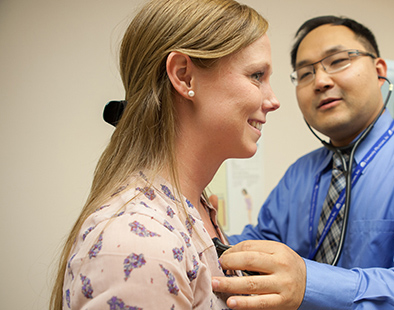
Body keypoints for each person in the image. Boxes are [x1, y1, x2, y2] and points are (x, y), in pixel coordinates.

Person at [212, 16, 394, 309]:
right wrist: (206, 229)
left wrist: (312, 284)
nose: (320, 81)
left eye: (338, 61)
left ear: (379, 70)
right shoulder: (299, 175)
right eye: (305, 73)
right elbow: (262, 244)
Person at [49, 0, 279, 309]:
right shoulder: (140, 243)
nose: (273, 100)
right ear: (184, 76)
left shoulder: (195, 211)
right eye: (256, 75)